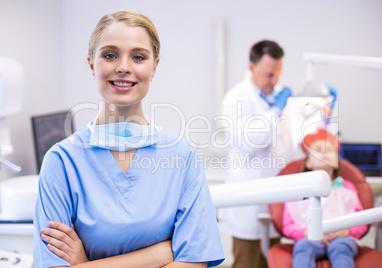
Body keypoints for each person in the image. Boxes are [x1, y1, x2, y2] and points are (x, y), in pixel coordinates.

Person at [33, 10, 224, 268]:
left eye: (138, 57)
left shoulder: (182, 157)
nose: (123, 67)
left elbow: (194, 264)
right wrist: (159, 255)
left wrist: (85, 264)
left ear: (154, 66)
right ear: (91, 63)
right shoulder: (62, 161)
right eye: (110, 55)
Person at [219, 40, 293, 268]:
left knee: (273, 262)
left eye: (278, 73)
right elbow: (249, 141)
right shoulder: (236, 98)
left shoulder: (273, 97)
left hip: (274, 198)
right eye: (269, 74)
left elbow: (288, 142)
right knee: (247, 263)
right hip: (248, 203)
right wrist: (274, 112)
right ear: (251, 67)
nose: (275, 80)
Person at [282, 129, 369, 268]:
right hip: (308, 239)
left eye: (329, 149)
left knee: (341, 249)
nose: (323, 152)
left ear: (337, 163)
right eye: (317, 149)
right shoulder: (298, 190)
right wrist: (307, 232)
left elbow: (362, 220)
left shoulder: (347, 188)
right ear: (308, 163)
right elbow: (288, 225)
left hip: (342, 239)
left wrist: (348, 231)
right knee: (303, 248)